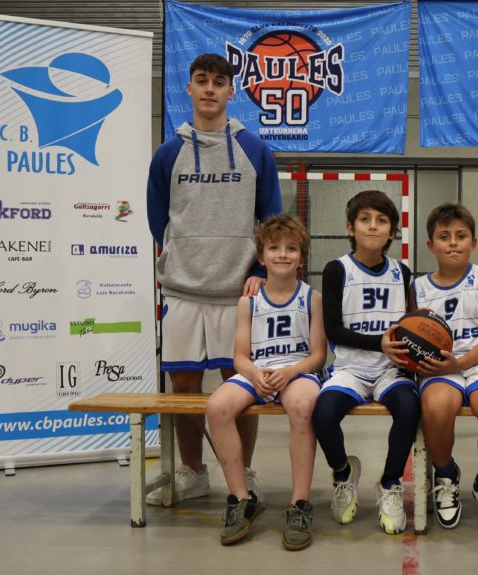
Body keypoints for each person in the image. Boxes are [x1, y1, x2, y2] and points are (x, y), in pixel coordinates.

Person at [146, 53, 282, 506]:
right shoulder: (168, 154)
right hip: (183, 290)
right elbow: (158, 219)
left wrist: (259, 271)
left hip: (236, 291)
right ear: (189, 88)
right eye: (201, 80)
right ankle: (193, 472)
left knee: (242, 386)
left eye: (218, 82)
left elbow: (272, 219)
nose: (209, 88)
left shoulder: (255, 150)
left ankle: (244, 473)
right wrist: (181, 255)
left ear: (231, 91)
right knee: (184, 389)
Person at [206, 215, 325, 549]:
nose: (283, 254)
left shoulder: (312, 298)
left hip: (298, 371)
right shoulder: (249, 302)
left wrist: (291, 372)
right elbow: (240, 357)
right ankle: (241, 499)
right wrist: (254, 374)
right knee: (217, 407)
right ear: (261, 257)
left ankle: (299, 505)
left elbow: (318, 355)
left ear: (302, 258)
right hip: (258, 371)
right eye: (274, 248)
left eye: (291, 248)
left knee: (302, 406)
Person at [311, 190, 420, 535]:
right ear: (351, 228)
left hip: (391, 369)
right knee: (322, 414)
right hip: (351, 369)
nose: (373, 226)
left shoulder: (402, 272)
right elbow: (333, 329)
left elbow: (411, 323)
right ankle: (344, 473)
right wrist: (379, 343)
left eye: (382, 220)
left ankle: (389, 483)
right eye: (365, 219)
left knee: (409, 408)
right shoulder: (337, 270)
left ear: (392, 232)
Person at [413, 203, 478, 535]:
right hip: (440, 366)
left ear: (474, 242)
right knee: (437, 406)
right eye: (444, 237)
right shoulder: (418, 288)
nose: (453, 243)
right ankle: (446, 474)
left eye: (461, 236)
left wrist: (459, 363)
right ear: (431, 245)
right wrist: (441, 363)